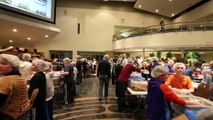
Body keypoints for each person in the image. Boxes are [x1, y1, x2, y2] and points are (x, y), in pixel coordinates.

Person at [0, 54, 30, 120]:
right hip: (22, 113)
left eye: (4, 64)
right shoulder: (21, 77)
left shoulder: (6, 80)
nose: (0, 66)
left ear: (13, 66)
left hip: (9, 115)